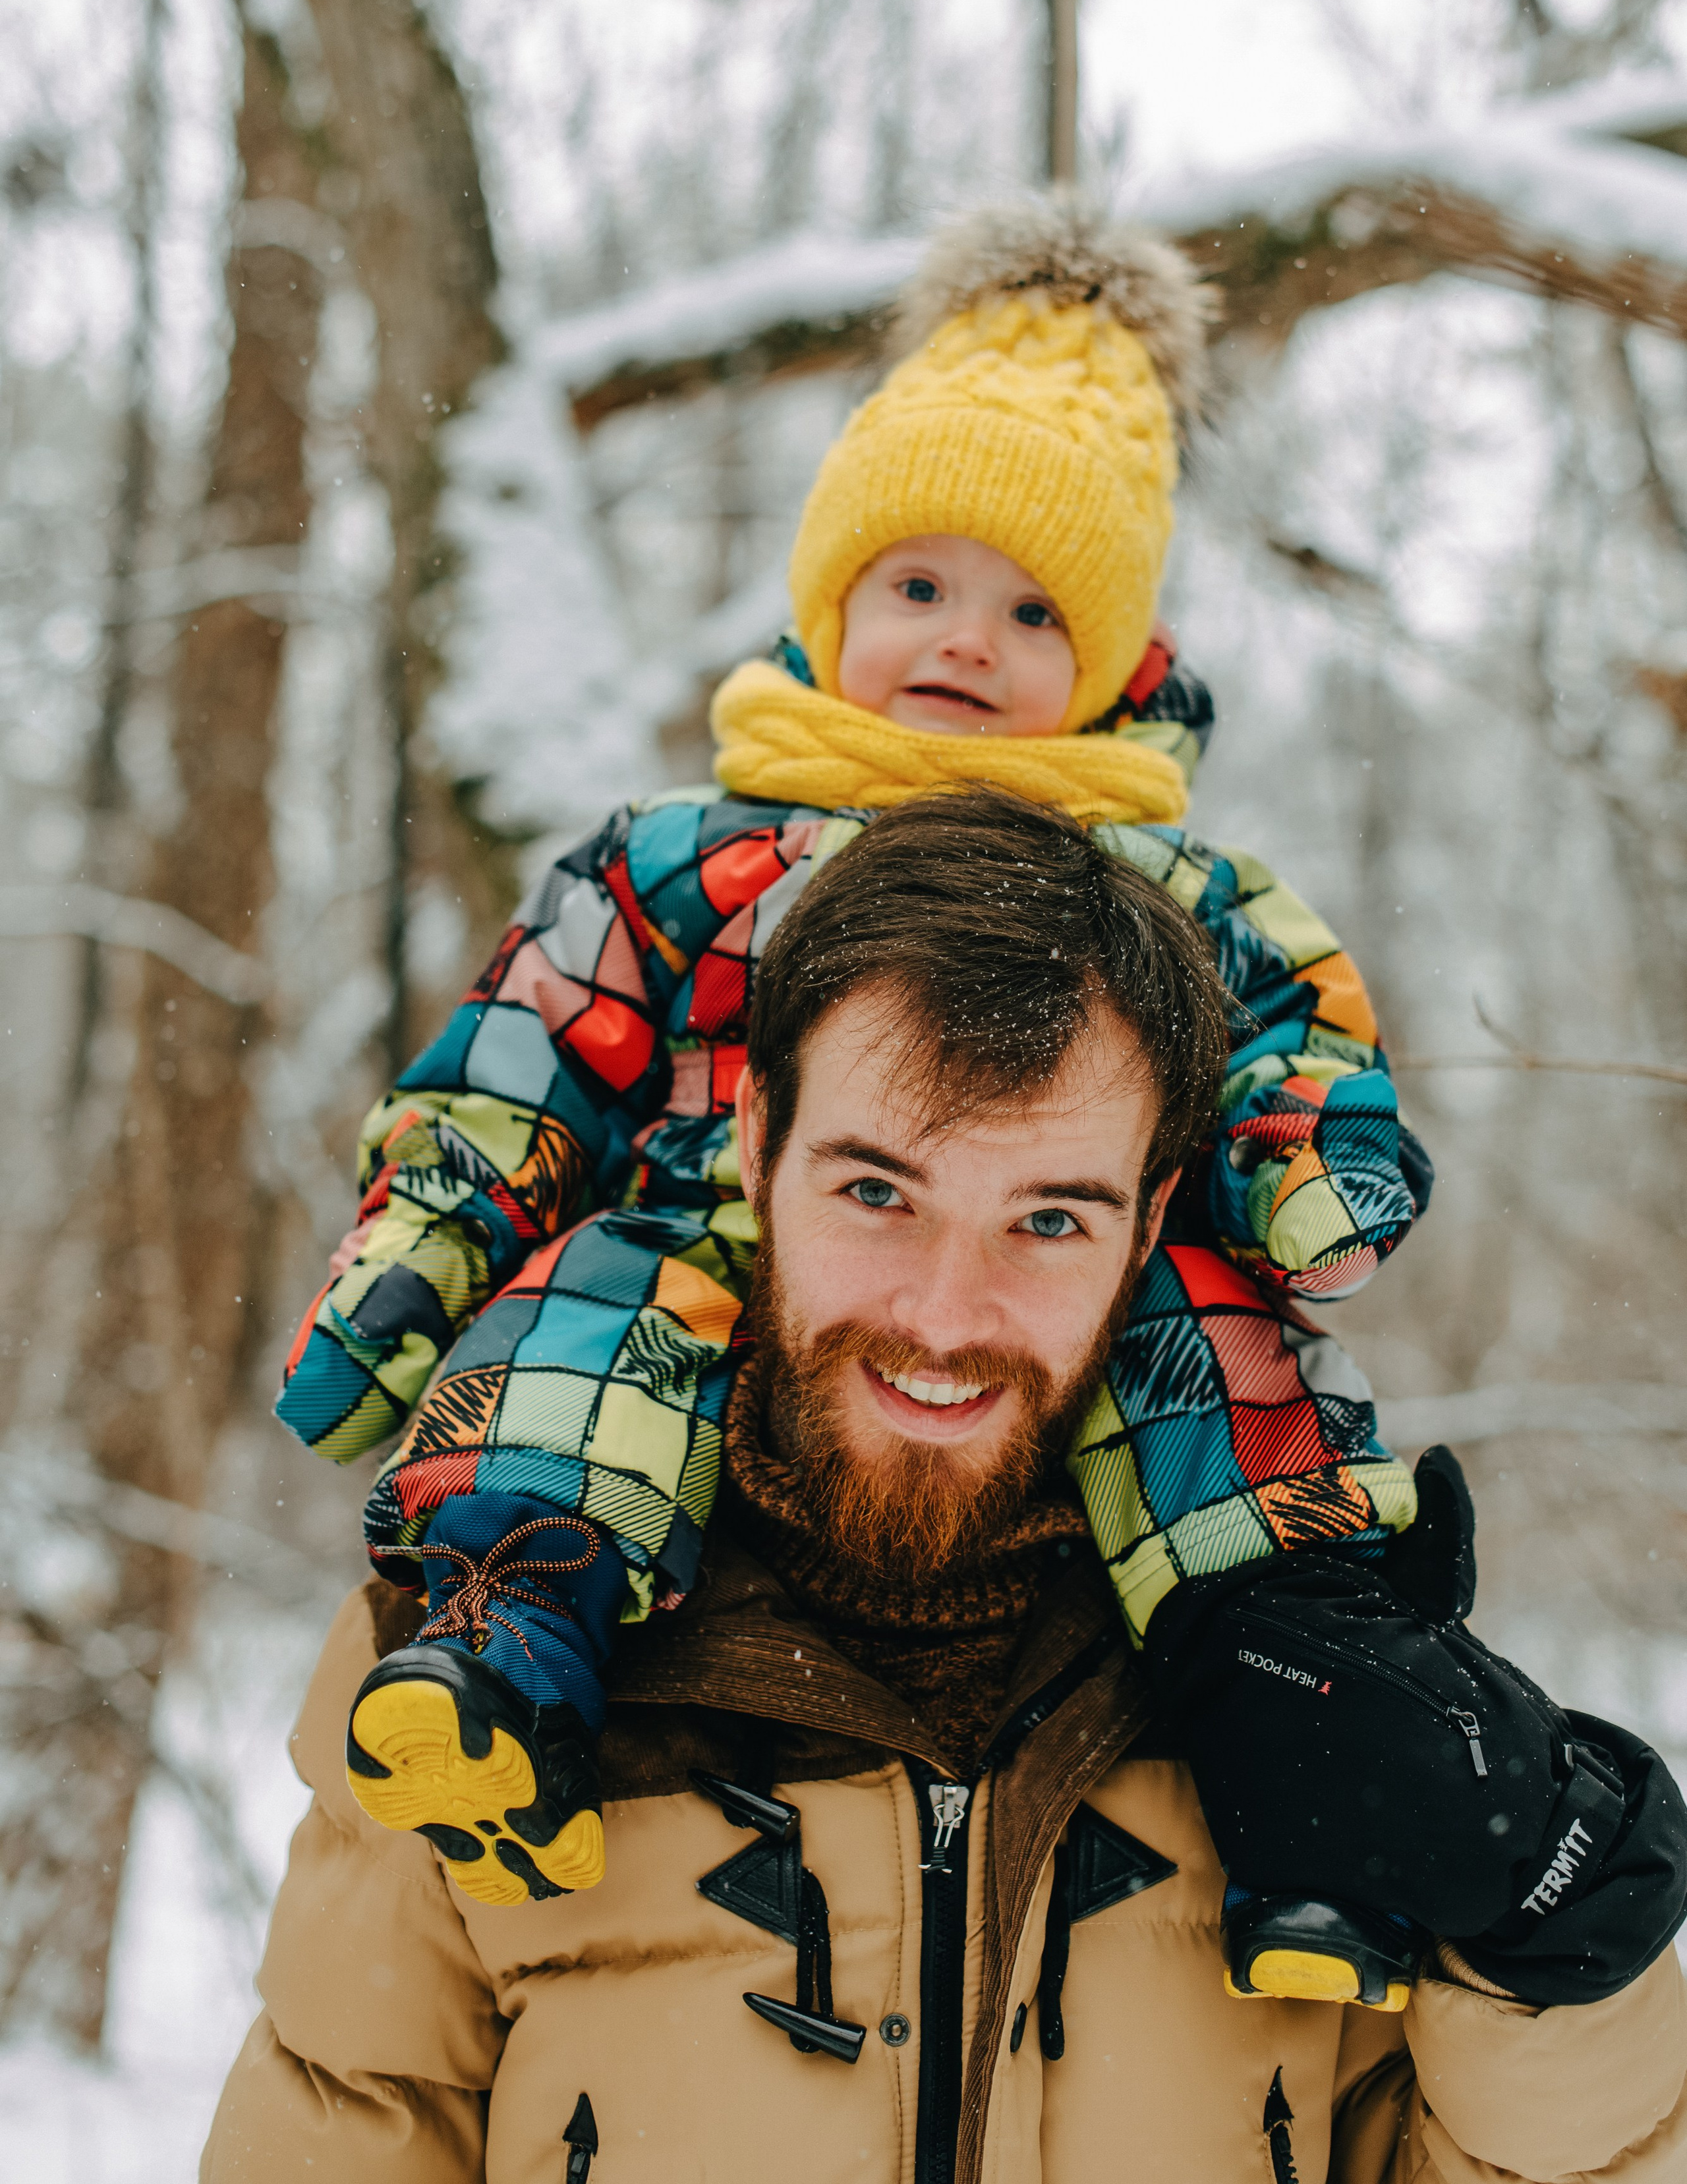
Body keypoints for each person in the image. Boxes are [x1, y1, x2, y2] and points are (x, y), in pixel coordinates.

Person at [204, 792, 1687, 2184]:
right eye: (875, 1191)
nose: (943, 1313)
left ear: (1151, 1213)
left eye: (1046, 1217)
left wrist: (1556, 1943)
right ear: (753, 1143)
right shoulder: (486, 1639)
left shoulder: (1311, 1674)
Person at [273, 199, 1432, 1904]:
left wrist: (1309, 1158)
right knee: (577, 1329)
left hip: (1040, 1274)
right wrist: (423, 1240)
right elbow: (525, 1051)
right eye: (919, 583)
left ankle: (1304, 1736)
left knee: (1215, 1367)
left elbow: (1295, 1039)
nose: (967, 637)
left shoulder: (1168, 884)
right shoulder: (681, 853)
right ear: (831, 601)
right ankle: (507, 1659)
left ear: (1112, 667)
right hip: (696, 1234)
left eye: (1036, 614)